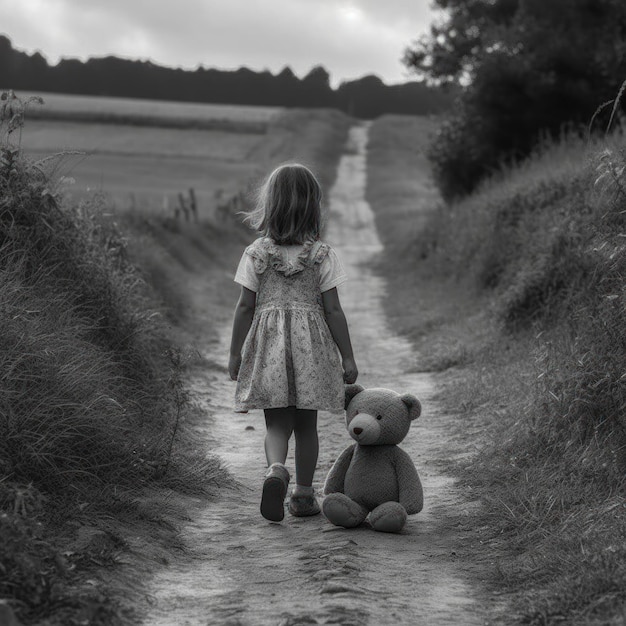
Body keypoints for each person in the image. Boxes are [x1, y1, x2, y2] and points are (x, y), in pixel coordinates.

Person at [228, 163, 358, 522]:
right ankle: (302, 495)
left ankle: (275, 471)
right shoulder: (322, 255)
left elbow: (244, 307)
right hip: (311, 353)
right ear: (313, 207)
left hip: (269, 351)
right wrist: (347, 357)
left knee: (276, 426)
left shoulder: (256, 254)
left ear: (270, 205)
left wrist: (235, 353)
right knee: (307, 427)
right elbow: (333, 310)